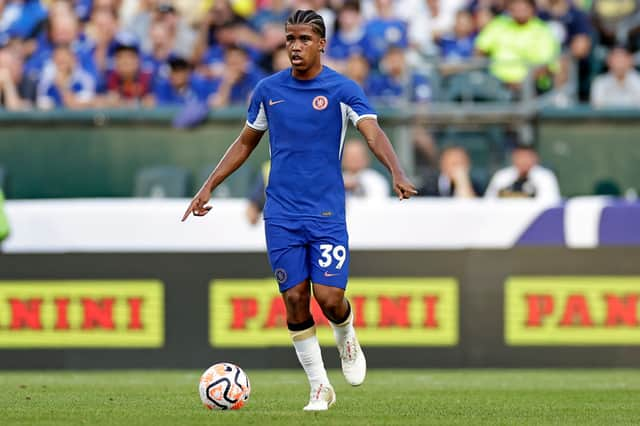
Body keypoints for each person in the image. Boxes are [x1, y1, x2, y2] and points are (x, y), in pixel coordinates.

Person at [182, 9, 417, 411]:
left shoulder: (344, 89)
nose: (295, 46)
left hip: (326, 213)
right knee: (294, 298)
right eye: (289, 39)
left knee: (328, 298)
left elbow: (372, 132)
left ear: (322, 43)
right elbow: (245, 142)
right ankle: (320, 386)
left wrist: (396, 170)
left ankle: (345, 333)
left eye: (304, 39)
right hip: (281, 214)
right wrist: (209, 186)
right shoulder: (267, 90)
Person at [484, 144, 560, 202]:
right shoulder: (502, 175)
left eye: (527, 157)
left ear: (535, 158)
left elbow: (549, 202)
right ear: (513, 158)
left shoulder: (545, 176)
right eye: (520, 157)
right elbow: (489, 200)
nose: (524, 161)